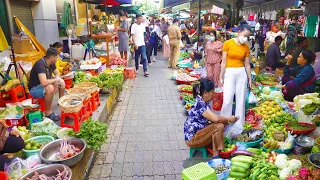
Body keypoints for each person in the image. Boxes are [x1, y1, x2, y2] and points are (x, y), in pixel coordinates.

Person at [184, 79, 238, 157]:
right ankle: (216, 157)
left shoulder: (204, 101)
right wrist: (229, 119)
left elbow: (213, 118)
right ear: (205, 93)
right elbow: (215, 118)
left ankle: (217, 149)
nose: (214, 94)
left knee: (221, 123)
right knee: (219, 126)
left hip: (198, 133)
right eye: (212, 92)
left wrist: (226, 121)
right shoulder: (200, 104)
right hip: (192, 140)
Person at [219, 22, 252, 137]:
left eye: (247, 36)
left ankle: (239, 126)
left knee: (240, 100)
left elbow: (247, 65)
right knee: (227, 100)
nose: (245, 38)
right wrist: (221, 76)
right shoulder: (227, 43)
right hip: (229, 72)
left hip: (241, 73)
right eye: (244, 35)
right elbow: (223, 62)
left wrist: (250, 78)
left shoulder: (246, 47)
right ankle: (223, 124)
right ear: (238, 32)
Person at [28, 48, 66, 121]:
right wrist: (54, 80)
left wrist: (56, 80)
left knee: (61, 82)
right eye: (57, 57)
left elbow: (57, 73)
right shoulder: (40, 65)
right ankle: (48, 112)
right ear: (52, 58)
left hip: (45, 85)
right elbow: (44, 82)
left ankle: (61, 102)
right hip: (34, 89)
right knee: (50, 88)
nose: (57, 59)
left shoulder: (51, 63)